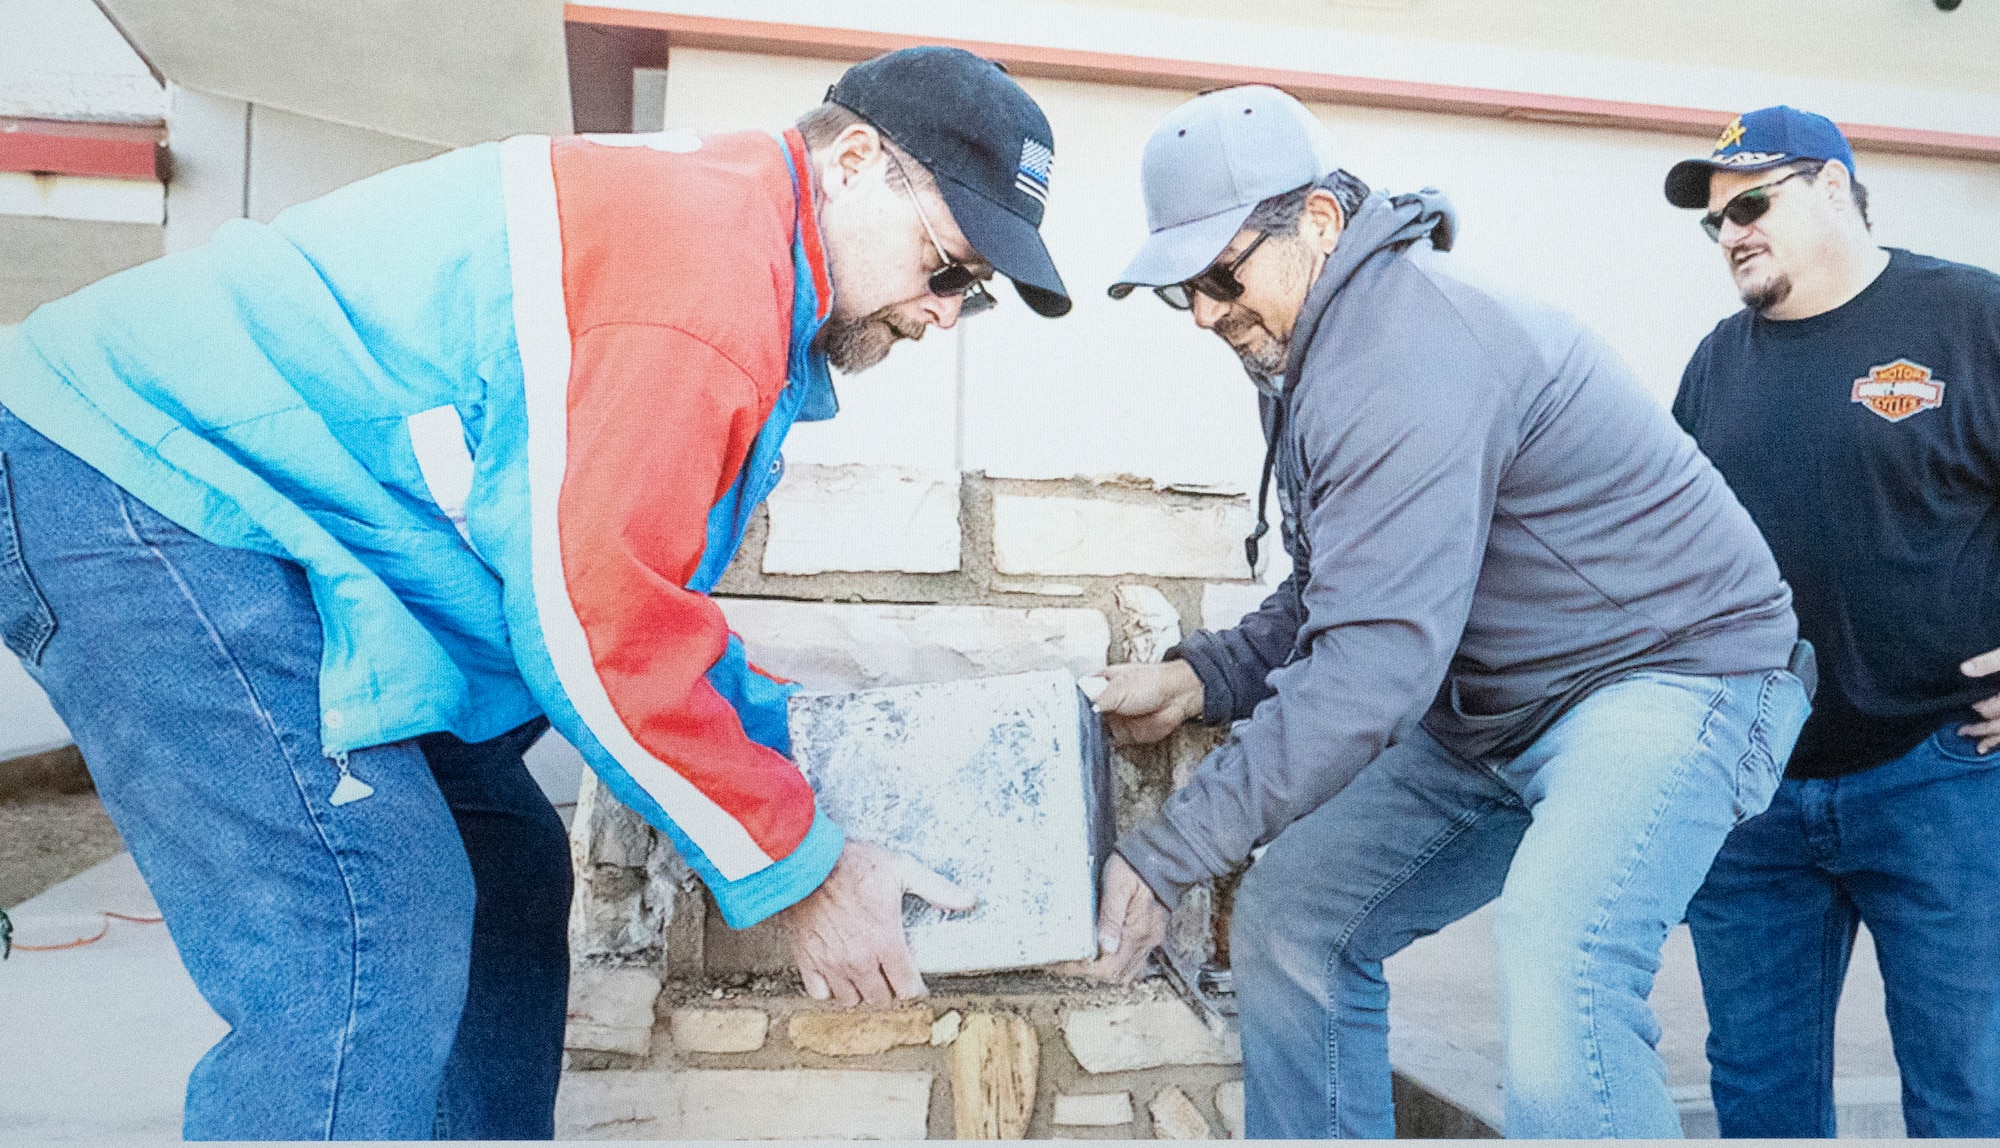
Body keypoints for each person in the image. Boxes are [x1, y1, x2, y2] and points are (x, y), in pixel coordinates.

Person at [0, 45, 1069, 1141]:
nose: (942, 313)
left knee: (502, 870)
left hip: (275, 531)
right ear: (850, 163)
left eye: (970, 296)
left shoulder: (734, 252)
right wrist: (800, 868)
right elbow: (593, 618)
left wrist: (774, 739)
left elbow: (637, 596)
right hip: (135, 479)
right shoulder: (703, 274)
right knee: (369, 918)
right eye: (946, 264)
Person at [1083, 85, 1811, 1139]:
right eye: (1177, 288)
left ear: (1318, 225)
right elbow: (1345, 577)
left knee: (1565, 950)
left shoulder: (1401, 353)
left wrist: (1162, 853)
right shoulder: (1304, 347)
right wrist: (1206, 675)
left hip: (1668, 675)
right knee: (1295, 917)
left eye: (1218, 274)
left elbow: (1368, 669)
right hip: (1497, 708)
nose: (1201, 310)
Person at [1666, 105, 2000, 1138]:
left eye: (1749, 204)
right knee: (1759, 1106)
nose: (1730, 234)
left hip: (1939, 776)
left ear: (1830, 186)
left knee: (1967, 1096)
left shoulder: (1966, 319)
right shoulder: (1714, 367)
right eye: (1714, 221)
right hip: (1753, 797)